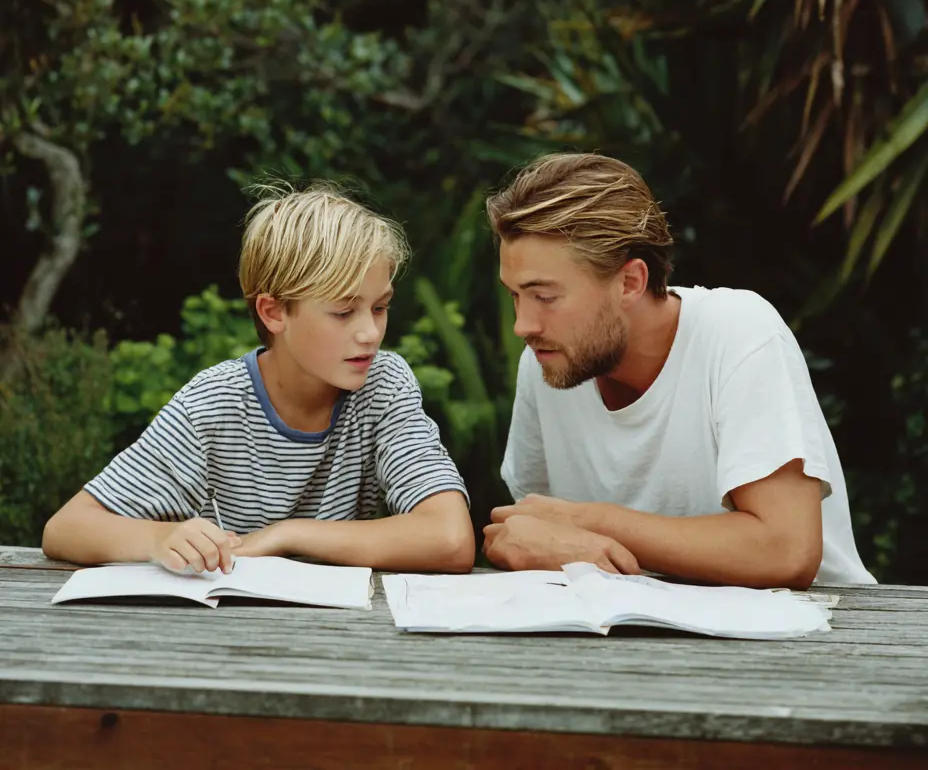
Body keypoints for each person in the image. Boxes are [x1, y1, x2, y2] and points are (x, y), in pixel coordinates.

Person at [482, 153, 875, 588]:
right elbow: (541, 531)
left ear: (629, 282)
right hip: (638, 640)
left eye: (545, 296)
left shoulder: (738, 332)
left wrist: (589, 521)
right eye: (515, 296)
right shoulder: (548, 361)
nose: (523, 325)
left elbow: (785, 551)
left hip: (823, 635)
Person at [43, 184, 474, 575]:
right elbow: (67, 528)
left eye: (379, 307)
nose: (370, 333)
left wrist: (287, 534)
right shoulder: (211, 404)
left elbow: (451, 539)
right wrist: (159, 539)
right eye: (344, 312)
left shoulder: (385, 384)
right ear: (274, 312)